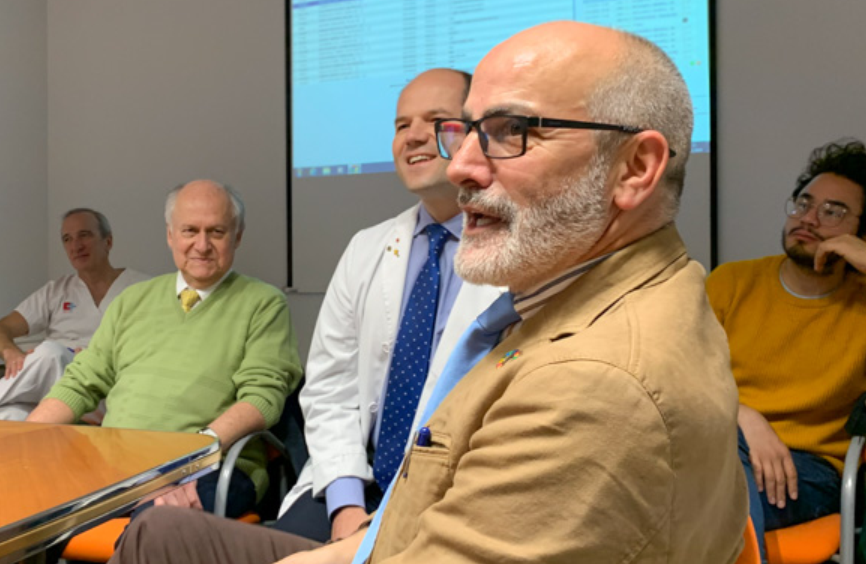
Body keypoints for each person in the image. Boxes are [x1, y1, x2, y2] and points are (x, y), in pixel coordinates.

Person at [108, 21, 747, 564]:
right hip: (380, 520)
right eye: (463, 132)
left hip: (402, 534)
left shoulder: (594, 382)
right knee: (160, 532)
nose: (462, 163)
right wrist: (346, 507)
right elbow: (328, 388)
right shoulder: (596, 291)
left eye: (509, 130)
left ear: (635, 167)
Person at [273, 68, 502, 543]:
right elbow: (329, 385)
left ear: (478, 135)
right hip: (353, 483)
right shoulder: (367, 248)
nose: (414, 136)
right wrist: (345, 504)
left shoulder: (516, 253)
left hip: (453, 498)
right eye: (402, 125)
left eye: (437, 120)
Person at [706, 139, 866, 561]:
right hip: (718, 441)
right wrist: (744, 416)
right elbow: (676, 373)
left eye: (833, 212)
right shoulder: (731, 283)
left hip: (808, 471)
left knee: (708, 490)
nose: (809, 219)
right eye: (804, 203)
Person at [26, 180, 303, 518]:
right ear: (171, 235)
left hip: (210, 464)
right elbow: (81, 380)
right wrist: (24, 438)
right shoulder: (133, 300)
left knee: (152, 525)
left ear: (237, 236)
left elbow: (262, 397)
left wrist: (190, 459)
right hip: (120, 464)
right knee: (20, 505)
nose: (202, 245)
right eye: (190, 231)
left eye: (216, 232)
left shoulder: (263, 303)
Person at [0, 208, 148, 421]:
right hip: (55, 390)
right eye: (67, 239)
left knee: (50, 353)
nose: (76, 246)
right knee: (6, 415)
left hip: (102, 384)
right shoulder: (57, 291)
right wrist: (10, 352)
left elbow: (156, 349)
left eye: (84, 235)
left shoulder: (143, 288)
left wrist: (95, 358)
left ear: (108, 242)